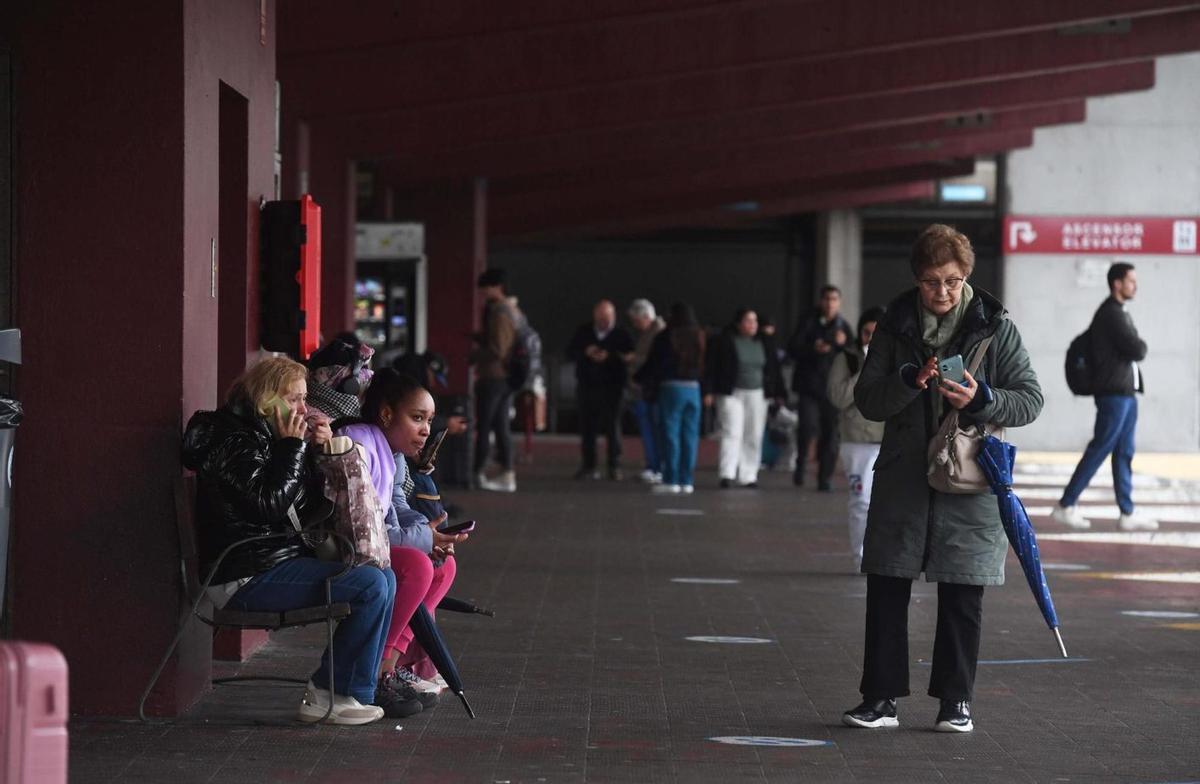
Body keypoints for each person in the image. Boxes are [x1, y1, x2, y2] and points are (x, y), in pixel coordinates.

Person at [843, 224, 1043, 734]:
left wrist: (981, 399)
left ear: (966, 278)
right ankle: (880, 699)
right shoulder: (894, 325)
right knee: (888, 584)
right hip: (904, 474)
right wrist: (909, 381)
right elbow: (867, 399)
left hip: (970, 475)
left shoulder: (995, 326)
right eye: (932, 281)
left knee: (963, 589)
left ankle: (956, 702)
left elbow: (1031, 399)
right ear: (917, 279)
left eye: (953, 281)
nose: (943, 293)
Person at [181, 357, 396, 725]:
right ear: (268, 400)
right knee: (370, 584)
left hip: (271, 561)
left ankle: (351, 692)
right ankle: (329, 692)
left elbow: (310, 510)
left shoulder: (268, 437)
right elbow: (267, 505)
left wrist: (315, 452)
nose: (303, 409)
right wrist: (292, 448)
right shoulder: (234, 441)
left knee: (383, 577)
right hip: (241, 575)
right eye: (294, 399)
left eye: (304, 398)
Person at [337, 369, 470, 715]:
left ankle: (391, 664)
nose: (426, 429)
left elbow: (395, 508)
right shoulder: (360, 445)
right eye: (417, 418)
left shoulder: (393, 454)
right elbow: (362, 529)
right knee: (416, 565)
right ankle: (374, 671)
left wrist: (428, 530)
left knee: (443, 566)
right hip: (347, 548)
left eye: (429, 420)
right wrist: (424, 539)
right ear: (385, 414)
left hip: (375, 544)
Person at [1051, 262, 1157, 532]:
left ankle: (1127, 512)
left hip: (1125, 394)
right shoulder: (1111, 313)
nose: (1136, 285)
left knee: (1124, 452)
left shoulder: (1118, 312)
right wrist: (1139, 342)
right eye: (1131, 280)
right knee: (1101, 448)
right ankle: (1065, 505)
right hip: (1113, 395)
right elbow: (1137, 349)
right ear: (1117, 284)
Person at [826, 307, 887, 572]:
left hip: (891, 440)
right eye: (866, 333)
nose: (871, 339)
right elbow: (838, 397)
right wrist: (866, 370)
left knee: (893, 505)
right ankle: (861, 557)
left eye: (878, 334)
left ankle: (891, 559)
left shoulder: (896, 357)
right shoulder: (847, 359)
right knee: (861, 501)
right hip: (857, 440)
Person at [705, 308, 784, 489]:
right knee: (731, 431)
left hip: (757, 393)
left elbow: (773, 369)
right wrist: (709, 390)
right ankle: (727, 472)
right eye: (748, 321)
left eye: (755, 321)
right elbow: (713, 367)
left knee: (754, 433)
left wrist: (779, 393)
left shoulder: (764, 342)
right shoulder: (726, 342)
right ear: (738, 323)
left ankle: (749, 474)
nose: (752, 325)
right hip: (731, 392)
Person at [636, 302, 706, 494]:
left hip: (671, 388)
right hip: (694, 389)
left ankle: (671, 479)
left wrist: (638, 378)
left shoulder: (666, 337)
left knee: (670, 434)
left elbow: (654, 364)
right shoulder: (699, 336)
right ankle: (687, 480)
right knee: (690, 436)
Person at [788, 285, 853, 490]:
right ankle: (801, 463)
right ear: (821, 301)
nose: (830, 303)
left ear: (839, 302)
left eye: (834, 299)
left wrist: (842, 344)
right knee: (807, 427)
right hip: (809, 387)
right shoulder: (808, 322)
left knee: (831, 434)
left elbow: (854, 355)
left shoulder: (843, 327)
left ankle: (824, 477)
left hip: (833, 390)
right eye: (827, 299)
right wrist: (813, 348)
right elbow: (793, 348)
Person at [566, 300, 636, 480]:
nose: (603, 322)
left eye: (606, 318)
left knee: (613, 426)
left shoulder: (622, 334)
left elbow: (631, 356)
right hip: (587, 385)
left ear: (613, 316)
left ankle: (614, 465)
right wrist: (586, 352)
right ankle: (589, 465)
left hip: (613, 386)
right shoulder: (584, 332)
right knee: (587, 427)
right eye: (599, 318)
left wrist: (611, 356)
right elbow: (570, 352)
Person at [470, 269, 518, 492]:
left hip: (494, 377)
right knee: (499, 425)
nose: (482, 293)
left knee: (487, 424)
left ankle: (478, 471)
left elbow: (499, 349)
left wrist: (475, 355)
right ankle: (505, 473)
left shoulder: (500, 312)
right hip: (502, 377)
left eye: (485, 288)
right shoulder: (506, 310)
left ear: (497, 287)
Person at [627, 299, 667, 483]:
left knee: (653, 429)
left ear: (645, 317)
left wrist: (634, 359)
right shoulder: (652, 332)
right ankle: (654, 465)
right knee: (651, 429)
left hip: (650, 390)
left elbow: (653, 361)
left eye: (636, 320)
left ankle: (656, 466)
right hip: (647, 390)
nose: (635, 325)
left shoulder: (657, 333)